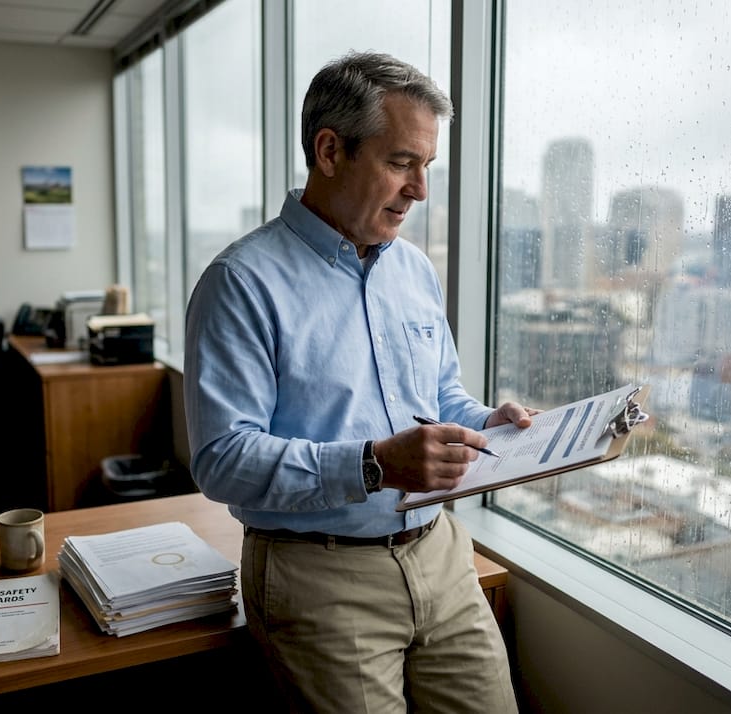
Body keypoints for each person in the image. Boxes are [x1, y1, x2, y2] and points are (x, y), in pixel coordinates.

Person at [183, 50, 535, 713]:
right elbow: (221, 461)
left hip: (439, 554)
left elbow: (440, 400)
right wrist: (374, 466)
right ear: (329, 151)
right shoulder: (241, 283)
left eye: (427, 167)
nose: (421, 190)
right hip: (318, 575)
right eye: (402, 162)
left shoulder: (414, 270)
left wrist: (490, 423)